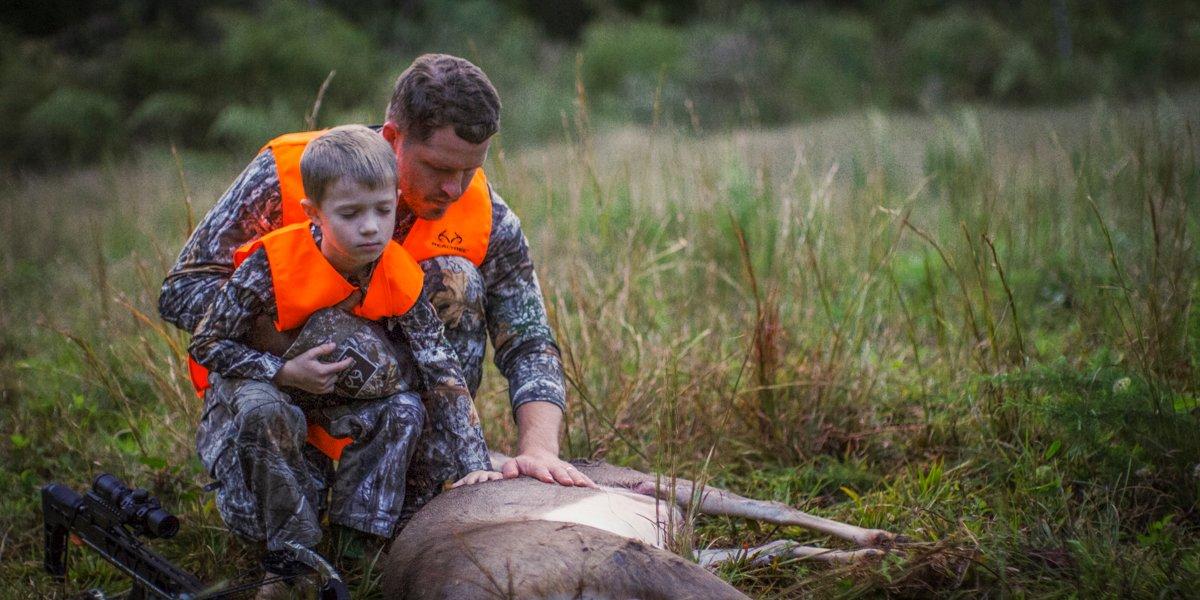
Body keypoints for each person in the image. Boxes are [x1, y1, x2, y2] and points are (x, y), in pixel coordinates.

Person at [159, 53, 592, 523]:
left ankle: (420, 488)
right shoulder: (291, 173)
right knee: (275, 538)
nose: (454, 189)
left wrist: (539, 450)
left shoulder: (487, 214)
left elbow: (529, 339)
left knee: (457, 279)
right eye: (439, 168)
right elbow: (182, 290)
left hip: (396, 414)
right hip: (274, 401)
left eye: (470, 170)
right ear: (392, 138)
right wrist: (296, 346)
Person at [188, 126, 500, 577]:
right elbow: (206, 342)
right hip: (261, 385)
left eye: (383, 210)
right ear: (313, 213)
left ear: (397, 199)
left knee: (405, 409)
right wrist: (281, 371)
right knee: (262, 426)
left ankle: (360, 549)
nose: (371, 227)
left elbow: (441, 365)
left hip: (330, 395)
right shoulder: (270, 264)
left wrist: (476, 465)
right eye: (351, 213)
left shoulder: (395, 269)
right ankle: (293, 558)